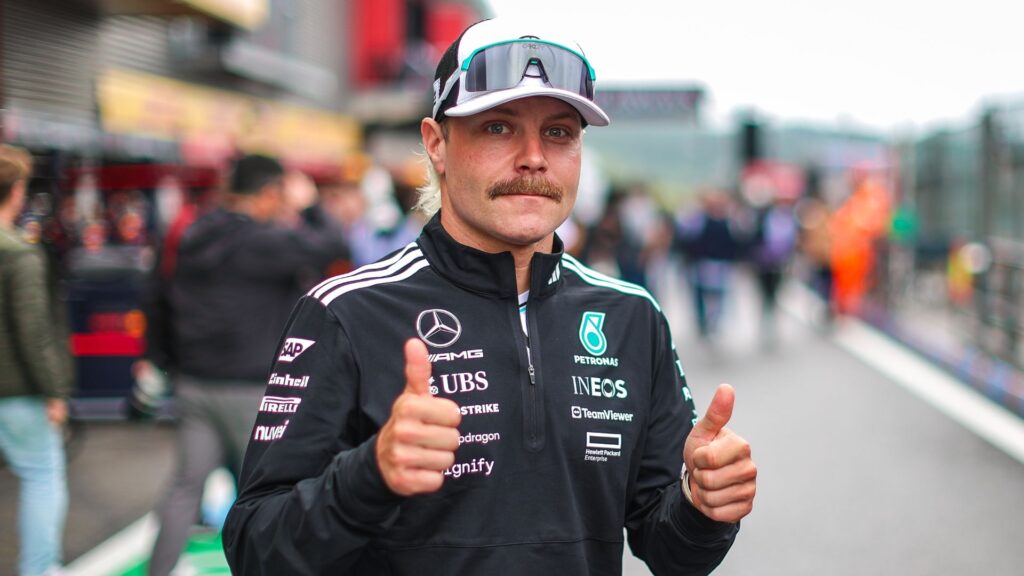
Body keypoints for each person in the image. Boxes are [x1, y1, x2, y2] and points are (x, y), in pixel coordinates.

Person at [224, 18, 756, 575]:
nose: (533, 157)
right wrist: (368, 477)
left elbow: (670, 549)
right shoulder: (345, 311)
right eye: (498, 127)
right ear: (437, 144)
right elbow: (254, 546)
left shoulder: (632, 315)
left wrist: (703, 506)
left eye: (559, 132)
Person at [141, 154, 349, 576]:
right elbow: (335, 246)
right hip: (251, 389)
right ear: (270, 193)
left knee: (185, 488)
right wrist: (310, 204)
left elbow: (156, 298)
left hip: (194, 383)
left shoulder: (190, 232)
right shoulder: (264, 241)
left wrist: (164, 361)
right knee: (266, 497)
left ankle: (158, 571)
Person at [0, 144, 72, 576]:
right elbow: (33, 331)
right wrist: (54, 391)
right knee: (42, 474)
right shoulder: (19, 254)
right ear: (16, 191)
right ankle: (40, 568)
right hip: (17, 390)